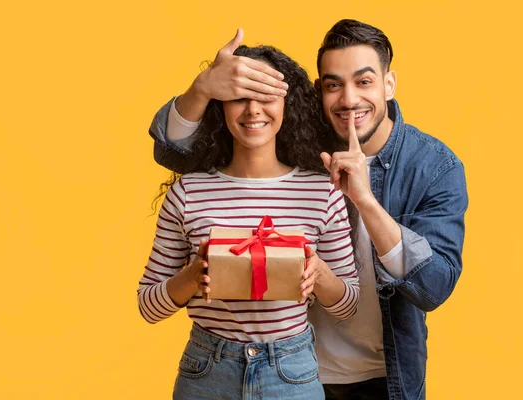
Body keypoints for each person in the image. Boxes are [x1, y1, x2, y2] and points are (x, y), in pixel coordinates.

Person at [148, 20, 468, 400]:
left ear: (389, 84)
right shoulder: (298, 138)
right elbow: (173, 151)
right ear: (318, 92)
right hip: (295, 365)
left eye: (364, 81)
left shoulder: (432, 166)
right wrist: (203, 89)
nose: (349, 99)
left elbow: (434, 285)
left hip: (384, 373)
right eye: (334, 85)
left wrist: (365, 201)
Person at [137, 45, 360, 400]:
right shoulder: (188, 192)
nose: (253, 109)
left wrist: (319, 274)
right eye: (240, 97)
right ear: (221, 105)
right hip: (206, 372)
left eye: (267, 96)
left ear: (288, 105)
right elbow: (148, 306)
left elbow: (348, 304)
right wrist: (194, 274)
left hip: (291, 372)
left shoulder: (322, 192)